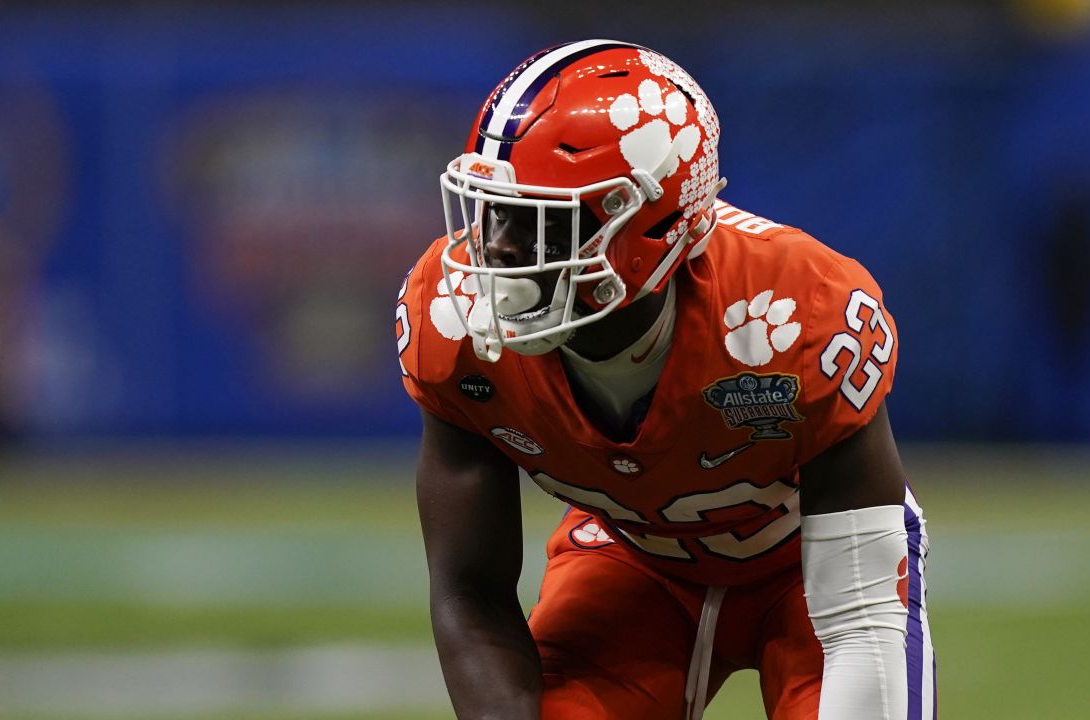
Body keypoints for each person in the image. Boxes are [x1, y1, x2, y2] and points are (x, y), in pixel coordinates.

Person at [397, 39, 935, 720]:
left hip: (812, 572)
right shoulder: (454, 326)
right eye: (498, 210)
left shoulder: (800, 309)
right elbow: (469, 591)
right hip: (634, 561)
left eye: (542, 220)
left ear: (650, 225)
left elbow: (860, 615)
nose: (499, 246)